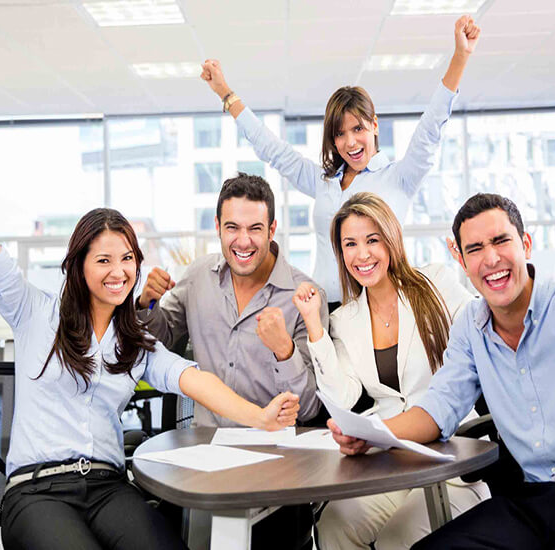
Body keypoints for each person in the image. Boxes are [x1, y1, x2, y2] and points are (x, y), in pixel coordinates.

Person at [0, 104, 300, 550]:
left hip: (108, 486)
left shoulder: (135, 341)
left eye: (128, 258)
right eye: (105, 260)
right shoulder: (33, 311)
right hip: (36, 490)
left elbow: (194, 380)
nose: (119, 271)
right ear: (79, 265)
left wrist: (260, 418)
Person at [329, 139, 555, 550]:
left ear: (526, 244)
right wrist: (371, 433)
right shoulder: (471, 328)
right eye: (475, 249)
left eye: (501, 242)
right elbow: (437, 412)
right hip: (529, 501)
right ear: (461, 260)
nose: (491, 259)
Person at [200, 15, 480, 312]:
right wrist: (226, 94)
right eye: (339, 134)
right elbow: (272, 148)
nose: (350, 143)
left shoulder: (400, 177)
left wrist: (460, 57)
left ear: (374, 125)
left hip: (379, 308)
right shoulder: (324, 182)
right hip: (326, 310)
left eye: (358, 129)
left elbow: (431, 126)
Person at [137, 172, 328, 549]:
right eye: (232, 228)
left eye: (255, 228)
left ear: (273, 228)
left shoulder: (305, 295)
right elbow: (158, 341)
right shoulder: (198, 278)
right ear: (217, 228)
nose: (243, 241)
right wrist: (145, 304)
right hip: (205, 453)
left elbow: (309, 407)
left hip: (277, 459)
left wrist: (284, 350)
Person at [291, 192, 488, 549]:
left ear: (391, 240)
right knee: (335, 523)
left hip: (451, 458)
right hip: (389, 462)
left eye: (372, 240)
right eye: (350, 244)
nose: (361, 254)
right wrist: (314, 328)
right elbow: (341, 396)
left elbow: (480, 333)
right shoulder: (344, 320)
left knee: (399, 538)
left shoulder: (435, 284)